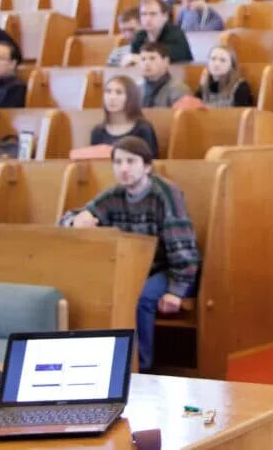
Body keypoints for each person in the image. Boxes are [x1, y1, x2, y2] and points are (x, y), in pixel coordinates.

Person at [64, 137, 200, 372]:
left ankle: (140, 366)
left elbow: (182, 246)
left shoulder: (165, 193)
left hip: (168, 271)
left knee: (139, 297)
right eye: (118, 162)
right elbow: (77, 215)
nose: (123, 168)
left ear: (147, 166)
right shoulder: (114, 195)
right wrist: (75, 220)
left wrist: (177, 290)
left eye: (131, 161)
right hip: (132, 271)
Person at [90, 75, 160, 158]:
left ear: (131, 97)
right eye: (108, 91)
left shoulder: (143, 129)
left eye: (119, 92)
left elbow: (151, 163)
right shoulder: (97, 131)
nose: (112, 97)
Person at [129, 0, 193, 63]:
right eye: (144, 14)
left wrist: (139, 58)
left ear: (165, 16)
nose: (148, 19)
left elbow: (164, 58)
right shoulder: (139, 36)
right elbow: (132, 59)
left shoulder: (176, 34)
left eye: (153, 14)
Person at [139, 42, 193, 108]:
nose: (146, 63)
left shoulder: (179, 90)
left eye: (152, 58)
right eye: (143, 59)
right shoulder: (137, 89)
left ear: (166, 61)